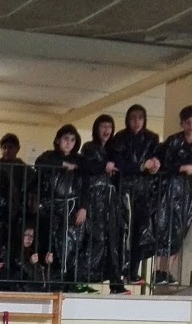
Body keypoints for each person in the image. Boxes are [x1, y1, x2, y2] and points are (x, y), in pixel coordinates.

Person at [149, 105, 192, 285]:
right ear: (182, 124)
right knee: (164, 226)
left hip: (187, 190)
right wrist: (182, 168)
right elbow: (166, 164)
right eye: (188, 122)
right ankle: (159, 270)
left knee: (180, 230)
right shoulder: (173, 141)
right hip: (169, 188)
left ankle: (166, 271)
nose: (191, 125)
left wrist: (187, 169)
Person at [108, 103, 160, 283]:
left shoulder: (152, 138)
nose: (136, 121)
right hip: (124, 189)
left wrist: (154, 167)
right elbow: (119, 164)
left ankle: (133, 271)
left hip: (143, 190)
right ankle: (120, 271)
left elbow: (155, 160)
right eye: (133, 118)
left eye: (140, 118)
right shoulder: (120, 138)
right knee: (124, 229)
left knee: (141, 230)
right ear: (127, 120)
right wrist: (141, 166)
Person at [34, 125, 87, 286]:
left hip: (72, 209)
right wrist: (62, 164)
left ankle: (69, 284)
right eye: (65, 139)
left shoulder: (80, 161)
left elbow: (85, 184)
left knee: (71, 247)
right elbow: (39, 163)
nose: (68, 143)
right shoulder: (48, 156)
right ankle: (50, 282)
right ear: (58, 140)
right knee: (50, 246)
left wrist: (83, 207)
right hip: (50, 208)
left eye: (72, 140)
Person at [78, 114, 127, 292]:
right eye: (103, 126)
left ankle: (115, 282)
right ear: (96, 128)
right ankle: (82, 279)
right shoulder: (89, 147)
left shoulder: (115, 149)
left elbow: (123, 168)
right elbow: (87, 169)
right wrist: (105, 166)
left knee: (113, 240)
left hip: (111, 201)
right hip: (94, 198)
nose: (106, 130)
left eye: (109, 126)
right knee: (94, 238)